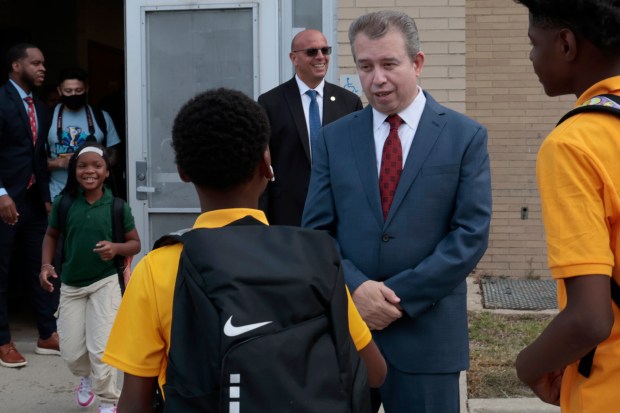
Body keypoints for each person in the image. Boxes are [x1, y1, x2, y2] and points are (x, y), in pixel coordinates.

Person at [102, 88, 386, 411]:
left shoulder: (158, 268)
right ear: (267, 162)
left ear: (183, 172)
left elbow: (134, 403)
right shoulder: (316, 256)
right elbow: (375, 372)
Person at [302, 10, 492, 413]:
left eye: (389, 64)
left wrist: (398, 297)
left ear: (417, 62)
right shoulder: (334, 138)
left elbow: (470, 234)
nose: (377, 79)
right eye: (366, 66)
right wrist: (356, 288)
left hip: (428, 337)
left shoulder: (465, 136)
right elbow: (316, 231)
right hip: (347, 335)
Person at [513, 1, 620, 411]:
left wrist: (528, 367)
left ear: (566, 44)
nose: (531, 56)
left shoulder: (576, 143)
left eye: (533, 43)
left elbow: (590, 319)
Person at [39, 141, 140, 413]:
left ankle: (109, 401)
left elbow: (135, 244)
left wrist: (116, 248)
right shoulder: (64, 203)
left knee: (102, 349)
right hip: (71, 284)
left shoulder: (117, 207)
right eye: (83, 165)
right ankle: (85, 377)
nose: (89, 171)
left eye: (97, 165)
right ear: (74, 170)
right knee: (71, 352)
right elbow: (51, 235)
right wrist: (45, 266)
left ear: (107, 172)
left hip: (105, 283)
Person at [258, 29, 363, 226]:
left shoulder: (349, 103)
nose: (321, 57)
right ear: (294, 58)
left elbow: (359, 163)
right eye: (312, 52)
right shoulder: (270, 103)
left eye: (325, 50)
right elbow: (264, 168)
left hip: (339, 215)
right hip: (286, 218)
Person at [0, 43, 59, 368]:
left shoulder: (39, 105)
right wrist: (1, 194)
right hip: (5, 201)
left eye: (44, 63)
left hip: (36, 202)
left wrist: (48, 199)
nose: (42, 68)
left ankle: (47, 334)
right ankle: (3, 341)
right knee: (2, 271)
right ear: (15, 65)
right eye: (35, 63)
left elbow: (36, 157)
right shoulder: (2, 100)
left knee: (43, 267)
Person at [46, 67, 122, 201]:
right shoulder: (47, 118)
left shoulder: (101, 117)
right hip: (56, 196)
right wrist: (59, 163)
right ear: (59, 90)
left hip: (97, 198)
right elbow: (34, 162)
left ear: (86, 89)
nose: (73, 95)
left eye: (78, 90)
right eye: (68, 91)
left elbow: (114, 152)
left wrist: (94, 164)